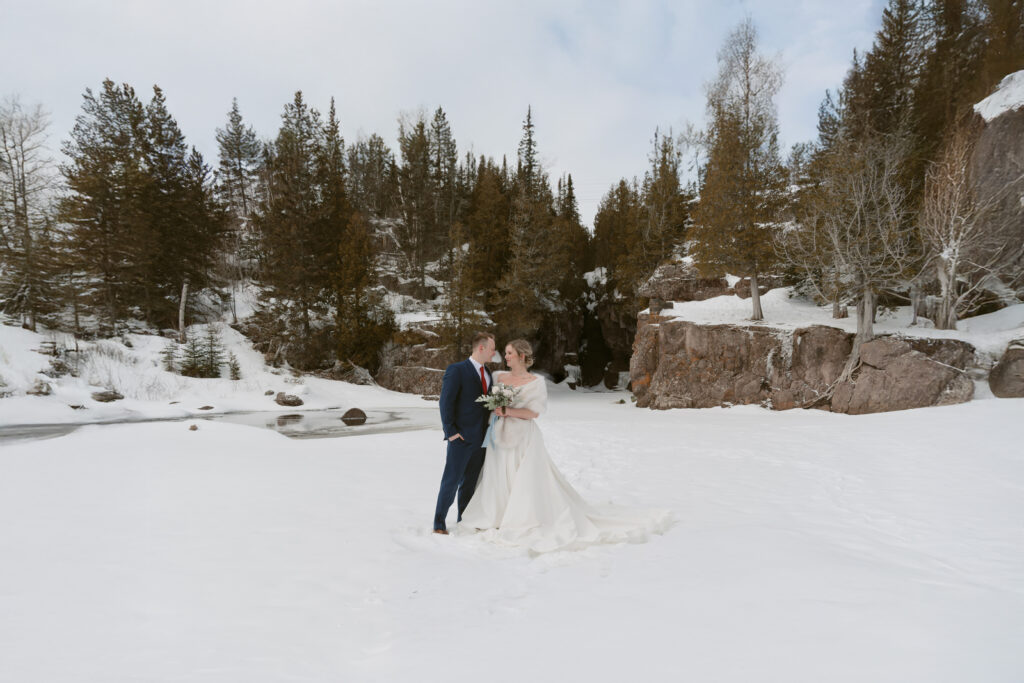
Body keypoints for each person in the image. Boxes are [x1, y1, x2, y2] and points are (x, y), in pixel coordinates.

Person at [459, 339, 672, 553]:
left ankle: (521, 517)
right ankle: (497, 514)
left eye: (509, 353)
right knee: (498, 475)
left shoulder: (536, 382)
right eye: (504, 353)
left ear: (522, 356)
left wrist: (507, 411)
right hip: (498, 436)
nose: (505, 357)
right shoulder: (497, 377)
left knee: (523, 479)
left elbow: (534, 413)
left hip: (524, 437)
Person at [433, 332, 496, 534]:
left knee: (470, 484)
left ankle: (464, 519)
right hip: (460, 438)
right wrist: (451, 432)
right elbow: (445, 402)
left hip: (482, 439)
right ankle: (439, 523)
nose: (494, 353)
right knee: (451, 481)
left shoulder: (489, 374)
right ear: (481, 348)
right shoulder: (457, 370)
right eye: (492, 349)